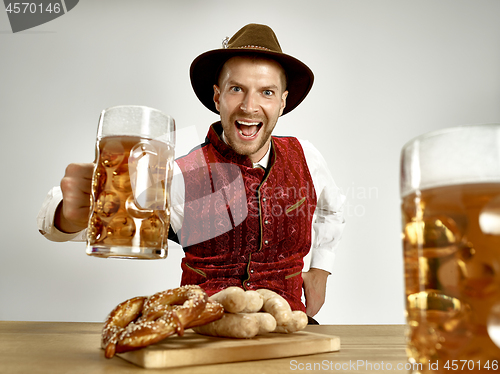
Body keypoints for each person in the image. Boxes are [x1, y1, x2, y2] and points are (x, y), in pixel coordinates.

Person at [37, 23, 345, 322]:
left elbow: (333, 209)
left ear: (282, 102)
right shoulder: (182, 175)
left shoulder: (307, 157)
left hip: (290, 327)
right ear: (217, 97)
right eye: (236, 89)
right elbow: (102, 221)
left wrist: (321, 269)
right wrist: (69, 213)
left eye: (267, 92)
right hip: (204, 332)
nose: (250, 106)